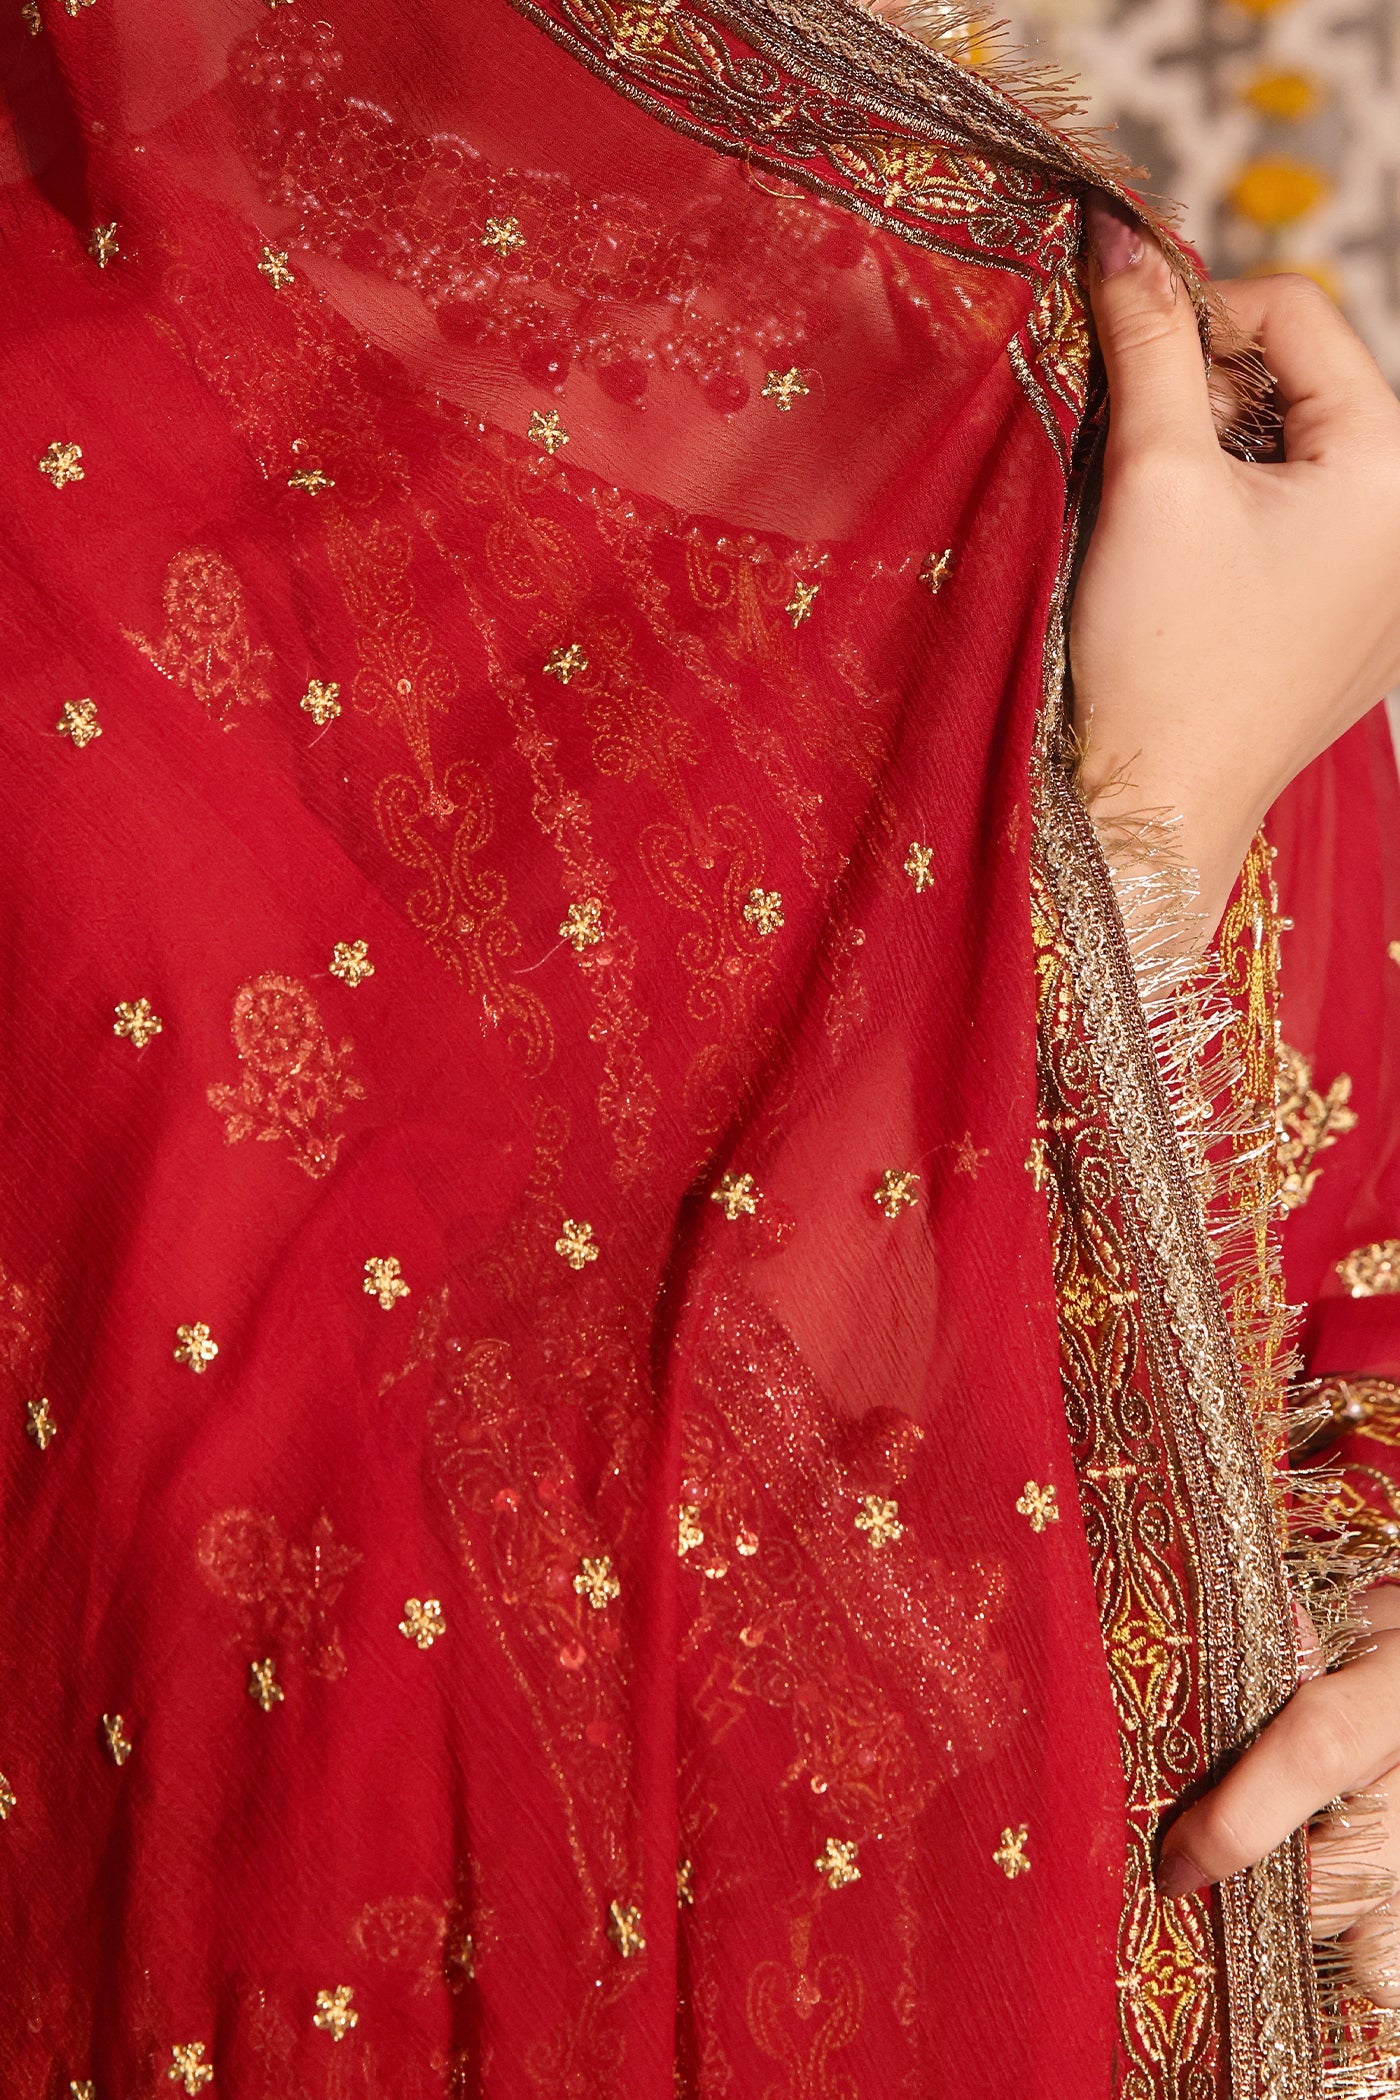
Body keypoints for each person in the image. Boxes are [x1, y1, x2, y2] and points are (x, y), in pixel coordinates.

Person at [1, 0, 1398, 2093]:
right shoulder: (55, 496)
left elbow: (1340, 1320)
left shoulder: (1103, 426)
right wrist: (1130, 855)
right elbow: (387, 1724)